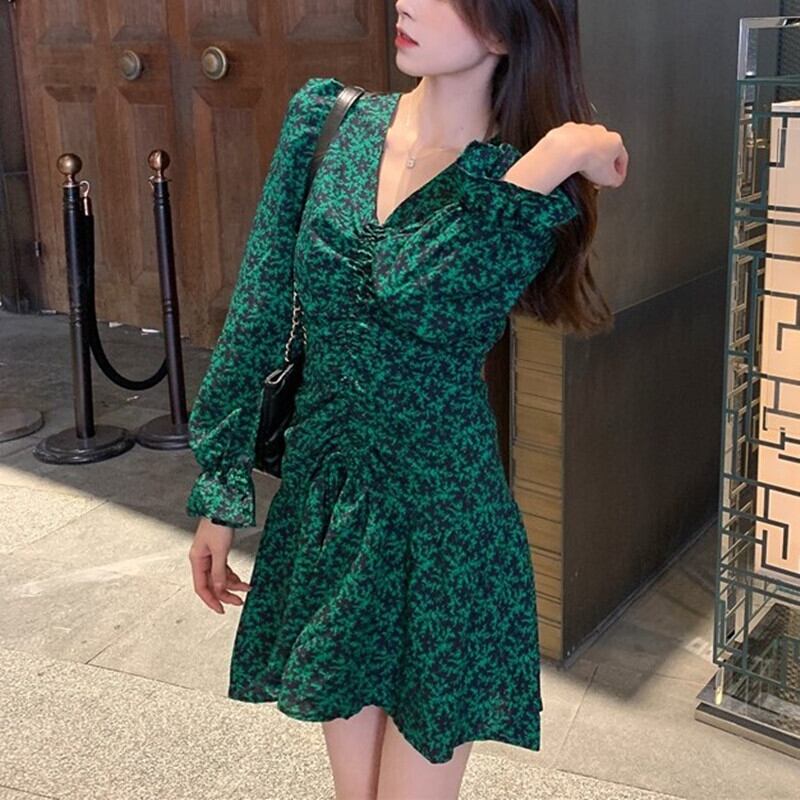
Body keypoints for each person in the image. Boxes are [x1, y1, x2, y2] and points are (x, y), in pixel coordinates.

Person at [187, 0, 627, 798]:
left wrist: (556, 154)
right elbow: (261, 306)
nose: (407, 2)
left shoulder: (518, 184)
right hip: (332, 504)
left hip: (443, 526)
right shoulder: (330, 121)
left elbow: (436, 287)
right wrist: (222, 488)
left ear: (507, 25)